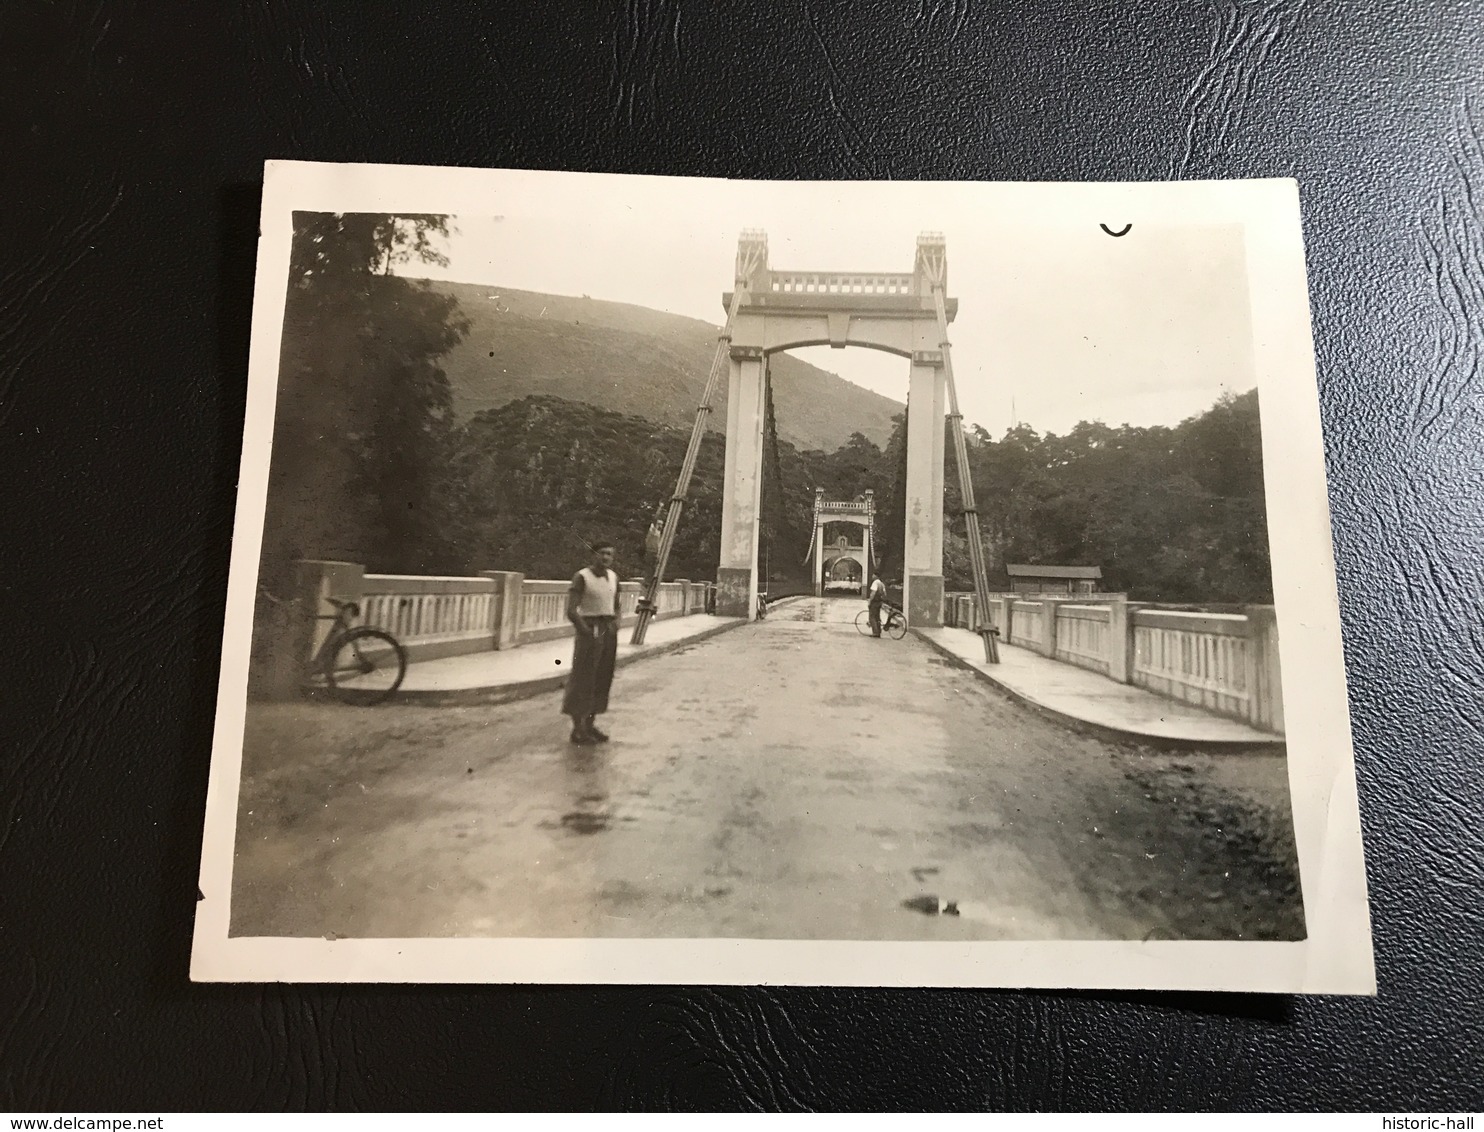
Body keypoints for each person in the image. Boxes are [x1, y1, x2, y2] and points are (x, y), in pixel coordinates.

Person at [563, 540, 620, 745]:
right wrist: (585, 631)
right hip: (589, 628)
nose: (605, 558)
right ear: (593, 555)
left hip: (607, 629)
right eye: (602, 553)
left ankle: (590, 724)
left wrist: (615, 624)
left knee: (602, 676)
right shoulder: (582, 577)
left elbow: (616, 605)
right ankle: (578, 729)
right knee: (584, 677)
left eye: (609, 554)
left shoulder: (613, 577)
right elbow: (571, 610)